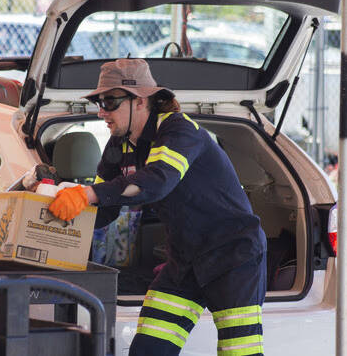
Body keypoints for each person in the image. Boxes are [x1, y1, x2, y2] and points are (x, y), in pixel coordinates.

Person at [48, 58, 267, 356]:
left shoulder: (178, 130)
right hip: (184, 260)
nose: (102, 112)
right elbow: (106, 208)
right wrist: (54, 215)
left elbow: (156, 182)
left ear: (140, 101)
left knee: (240, 354)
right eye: (99, 102)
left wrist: (88, 194)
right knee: (148, 351)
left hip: (233, 257)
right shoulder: (118, 145)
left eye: (110, 101)